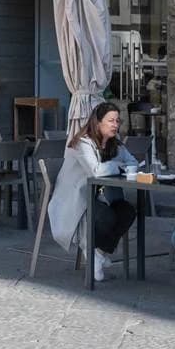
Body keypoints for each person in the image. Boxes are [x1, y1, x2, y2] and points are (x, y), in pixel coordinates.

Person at [48, 102, 140, 282]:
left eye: (117, 121)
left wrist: (118, 166)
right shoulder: (83, 143)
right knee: (106, 216)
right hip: (75, 200)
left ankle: (97, 252)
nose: (115, 124)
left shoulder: (115, 145)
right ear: (98, 123)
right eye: (111, 121)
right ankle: (94, 254)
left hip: (100, 197)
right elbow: (96, 171)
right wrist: (118, 166)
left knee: (127, 211)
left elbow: (133, 162)